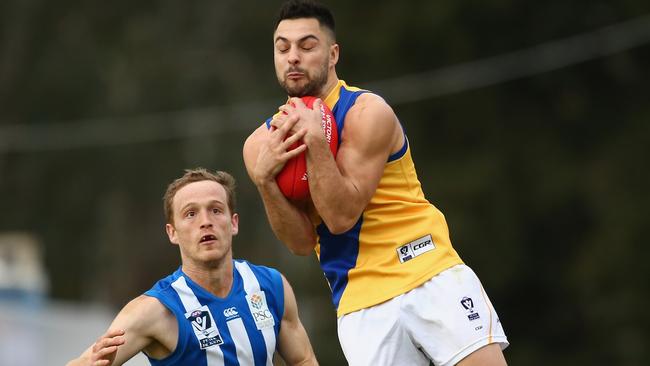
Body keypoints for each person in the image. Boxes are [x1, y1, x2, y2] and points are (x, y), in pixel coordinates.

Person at [242, 1, 509, 365]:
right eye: (282, 47)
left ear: (333, 53)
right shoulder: (261, 144)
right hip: (359, 303)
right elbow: (302, 242)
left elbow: (340, 216)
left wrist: (316, 142)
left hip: (427, 272)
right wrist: (264, 181)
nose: (293, 57)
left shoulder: (367, 112)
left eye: (307, 45)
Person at [67, 168, 318, 366]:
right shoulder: (154, 311)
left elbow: (303, 360)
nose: (206, 222)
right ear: (172, 232)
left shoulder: (271, 286)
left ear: (233, 223)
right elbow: (85, 361)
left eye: (216, 210)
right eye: (190, 214)